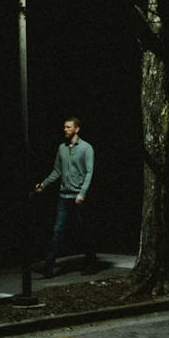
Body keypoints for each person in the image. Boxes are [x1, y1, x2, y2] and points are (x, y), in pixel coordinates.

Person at [33, 117, 96, 276]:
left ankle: (91, 262)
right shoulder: (62, 148)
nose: (65, 129)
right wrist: (44, 184)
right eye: (64, 127)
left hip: (78, 197)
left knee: (84, 230)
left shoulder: (86, 148)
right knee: (58, 229)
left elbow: (89, 173)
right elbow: (57, 171)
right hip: (64, 196)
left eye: (68, 127)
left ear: (77, 129)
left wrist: (82, 193)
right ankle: (48, 265)